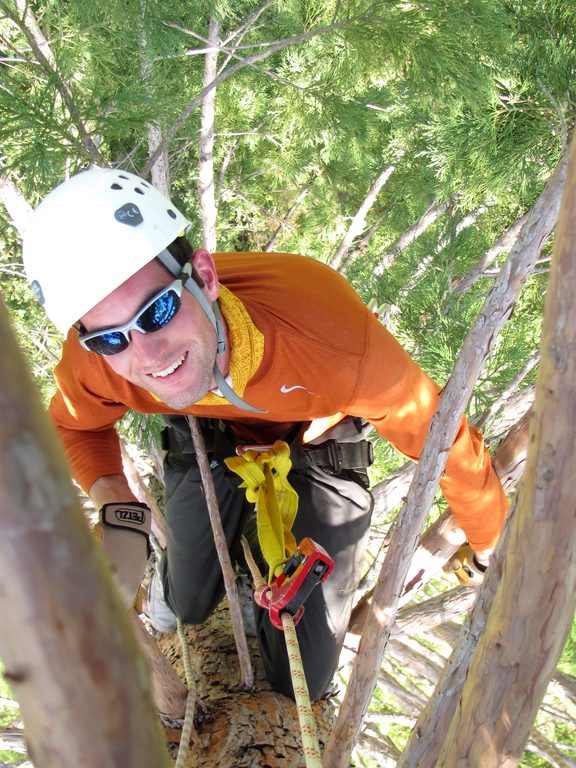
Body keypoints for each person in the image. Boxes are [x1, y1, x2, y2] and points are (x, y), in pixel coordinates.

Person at [22, 167, 508, 701]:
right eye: (113, 340)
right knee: (189, 602)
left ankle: (256, 594)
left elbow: (449, 447)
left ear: (204, 276)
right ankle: (191, 577)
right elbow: (74, 425)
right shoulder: (96, 361)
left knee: (305, 680)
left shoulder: (333, 340)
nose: (148, 355)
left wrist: (488, 547)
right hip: (205, 439)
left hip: (315, 445)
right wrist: (120, 509)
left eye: (157, 311)